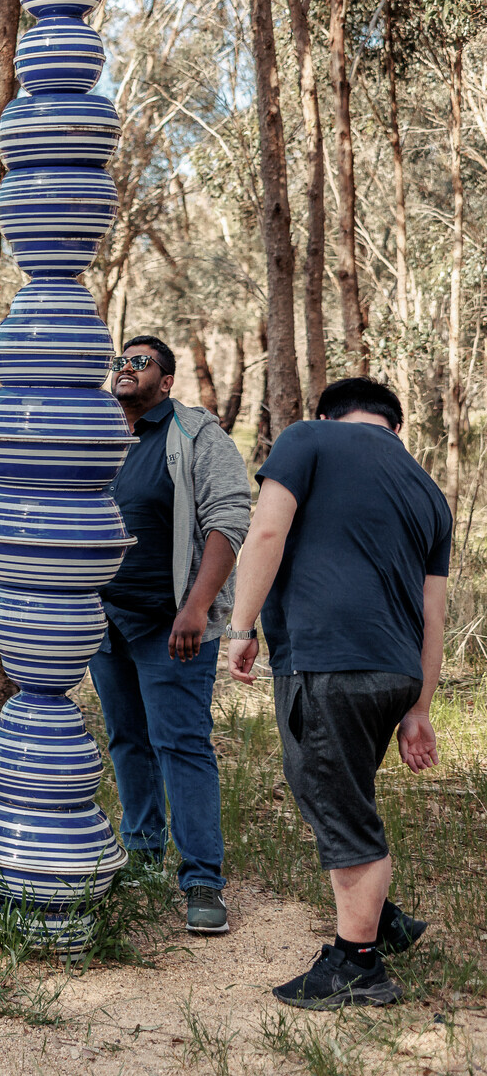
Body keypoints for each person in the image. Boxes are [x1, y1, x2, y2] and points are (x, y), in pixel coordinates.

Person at [229, 376, 447, 1010]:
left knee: (337, 805)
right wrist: (419, 708)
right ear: (395, 428)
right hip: (396, 670)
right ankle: (383, 921)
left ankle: (358, 966)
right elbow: (434, 614)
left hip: (329, 663)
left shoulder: (308, 438)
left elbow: (265, 533)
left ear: (327, 415)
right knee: (342, 788)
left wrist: (241, 626)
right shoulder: (430, 492)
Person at [90, 336, 251, 934]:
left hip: (172, 625)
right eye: (119, 362)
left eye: (140, 362)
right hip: (106, 620)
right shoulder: (101, 433)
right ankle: (143, 852)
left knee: (180, 743)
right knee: (128, 740)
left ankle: (203, 880)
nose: (125, 369)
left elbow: (230, 517)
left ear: (166, 379)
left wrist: (197, 607)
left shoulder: (194, 434)